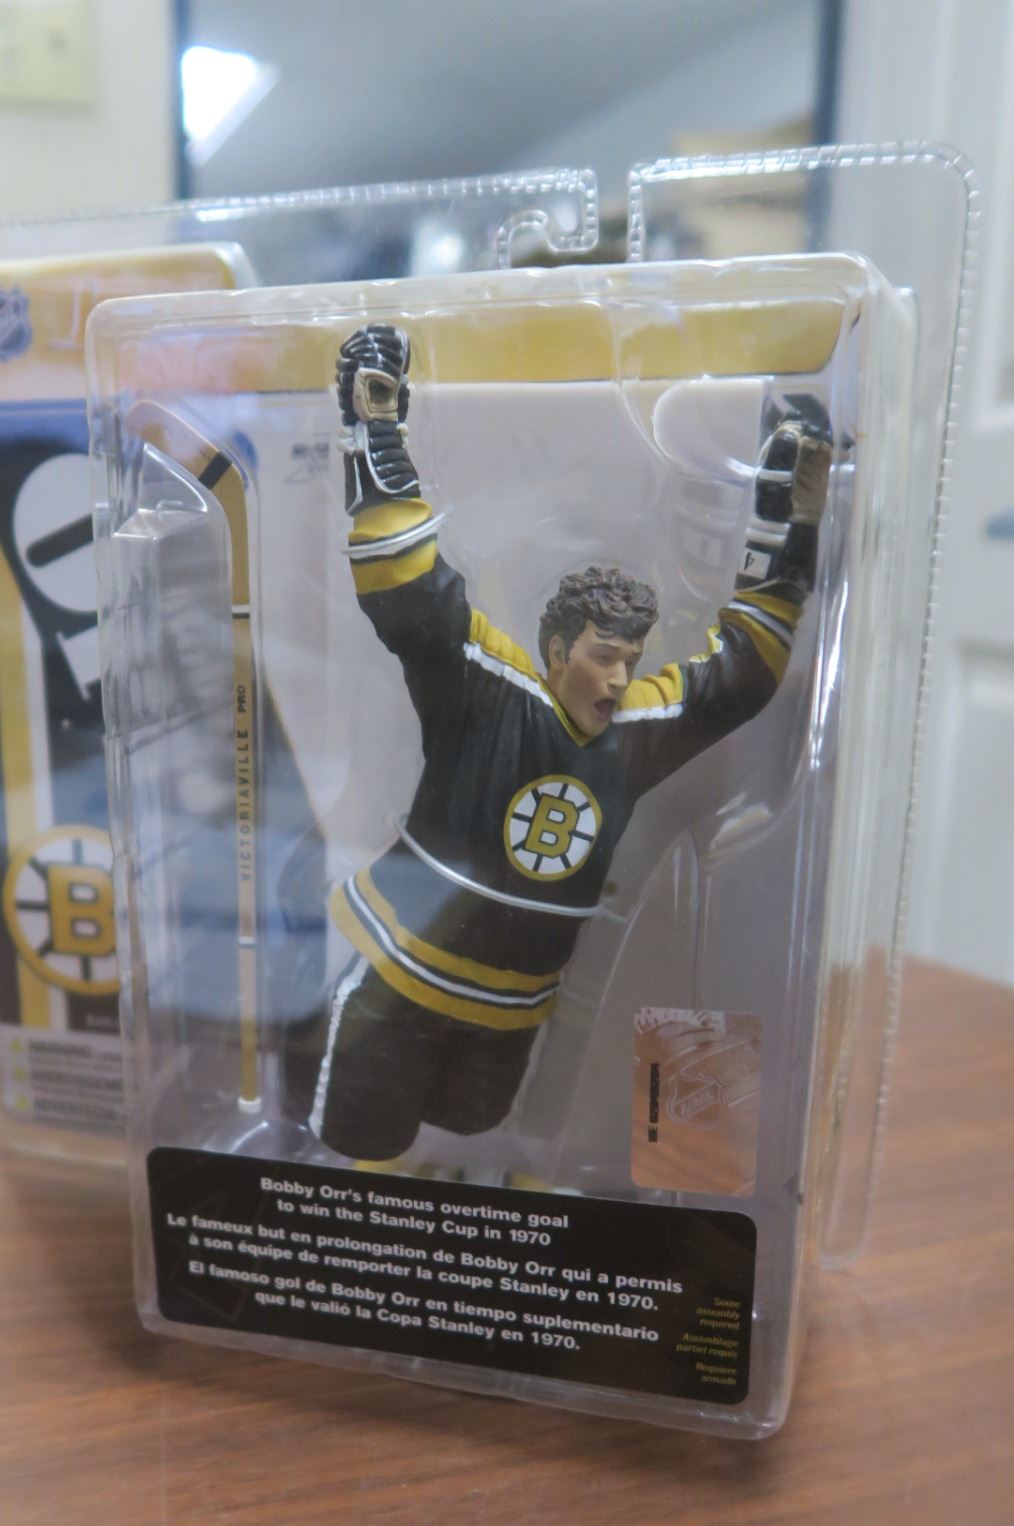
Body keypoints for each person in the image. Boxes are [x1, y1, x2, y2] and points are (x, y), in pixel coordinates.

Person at [307, 324, 831, 1162]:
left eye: (630, 660)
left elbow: (736, 679)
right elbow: (412, 599)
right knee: (358, 1141)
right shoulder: (489, 694)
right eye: (602, 657)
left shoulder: (633, 738)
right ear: (556, 651)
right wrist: (375, 431)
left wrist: (786, 529)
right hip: (403, 972)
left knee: (474, 1130)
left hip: (513, 1006)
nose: (619, 680)